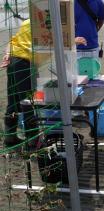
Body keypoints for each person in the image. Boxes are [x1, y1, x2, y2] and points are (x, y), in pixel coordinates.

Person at [1, 19, 39, 148]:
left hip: (13, 62)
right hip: (24, 64)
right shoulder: (42, 23)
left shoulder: (27, 21)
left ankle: (9, 137)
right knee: (28, 102)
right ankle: (32, 140)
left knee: (14, 100)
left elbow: (12, 42)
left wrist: (7, 55)